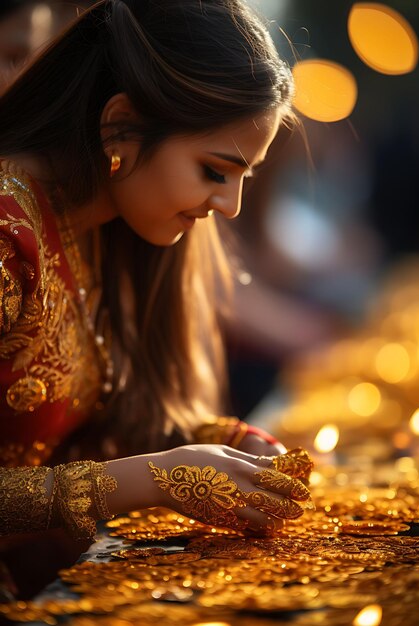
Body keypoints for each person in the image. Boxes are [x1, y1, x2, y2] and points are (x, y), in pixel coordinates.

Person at [0, 0, 314, 587]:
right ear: (119, 126)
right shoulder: (8, 232)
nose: (230, 206)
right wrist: (155, 478)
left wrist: (223, 445)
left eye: (247, 177)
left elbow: (86, 434)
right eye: (216, 171)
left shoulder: (100, 225)